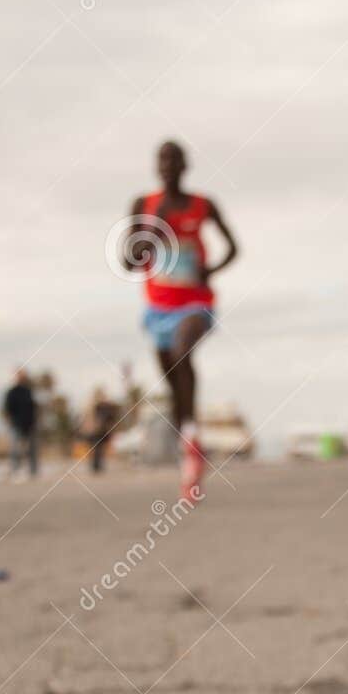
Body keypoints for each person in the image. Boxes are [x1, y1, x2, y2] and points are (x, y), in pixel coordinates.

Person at [124, 140, 238, 501]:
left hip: (196, 303)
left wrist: (211, 269)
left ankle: (192, 440)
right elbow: (129, 260)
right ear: (156, 167)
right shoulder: (144, 206)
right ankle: (188, 445)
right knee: (172, 380)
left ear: (185, 166)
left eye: (175, 160)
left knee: (183, 349)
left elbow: (234, 247)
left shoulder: (203, 205)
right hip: (158, 309)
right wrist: (151, 237)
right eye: (162, 160)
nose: (169, 165)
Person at [2, 369, 39, 477]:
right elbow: (7, 409)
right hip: (16, 424)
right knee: (15, 449)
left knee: (32, 449)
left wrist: (35, 421)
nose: (22, 378)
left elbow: (33, 407)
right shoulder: (11, 392)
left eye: (24, 376)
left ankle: (33, 472)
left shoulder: (29, 391)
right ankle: (15, 470)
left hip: (30, 424)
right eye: (20, 376)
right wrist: (10, 422)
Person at [80, 385, 120, 473]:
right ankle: (96, 466)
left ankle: (97, 465)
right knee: (96, 448)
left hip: (100, 431)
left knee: (99, 448)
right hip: (95, 431)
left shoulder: (103, 405)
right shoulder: (93, 405)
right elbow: (88, 418)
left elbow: (110, 418)